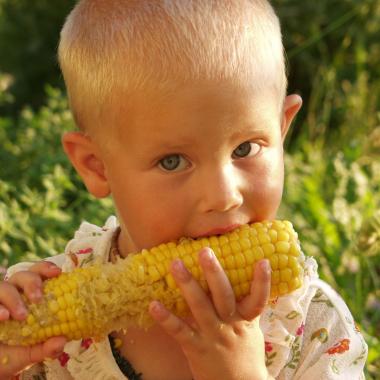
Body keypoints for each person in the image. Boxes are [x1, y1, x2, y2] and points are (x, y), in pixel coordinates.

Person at [0, 1, 368, 379]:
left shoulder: (314, 326)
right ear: (96, 166)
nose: (224, 196)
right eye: (173, 161)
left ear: (282, 130)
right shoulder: (43, 321)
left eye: (246, 148)